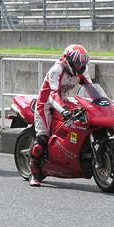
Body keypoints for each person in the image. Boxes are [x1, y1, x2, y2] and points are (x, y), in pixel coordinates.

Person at [28, 44, 92, 187]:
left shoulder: (81, 72)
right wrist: (63, 110)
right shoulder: (56, 70)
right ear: (68, 61)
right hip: (45, 104)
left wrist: (101, 101)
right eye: (77, 62)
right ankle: (34, 173)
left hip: (64, 102)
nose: (80, 66)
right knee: (41, 140)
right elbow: (53, 94)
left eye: (82, 63)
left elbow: (92, 88)